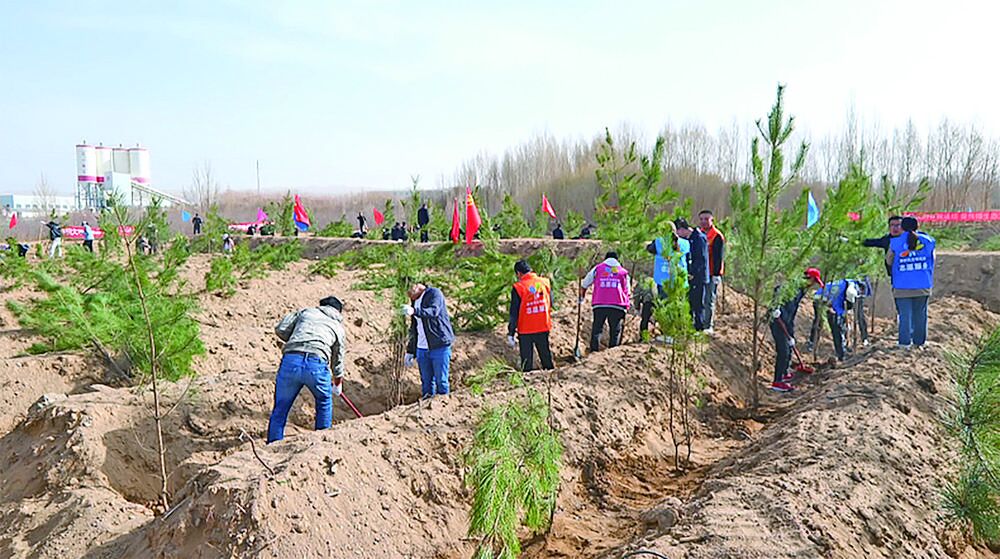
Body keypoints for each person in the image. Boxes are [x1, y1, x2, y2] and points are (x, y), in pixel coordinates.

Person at [268, 296, 347, 443]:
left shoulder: (306, 312)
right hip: (316, 364)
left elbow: (281, 329)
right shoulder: (338, 327)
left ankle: (273, 444)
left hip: (291, 360)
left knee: (280, 408)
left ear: (321, 305)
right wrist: (337, 383)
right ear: (338, 312)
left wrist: (296, 338)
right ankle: (321, 443)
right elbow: (338, 359)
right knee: (324, 401)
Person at [770, 268, 824, 392]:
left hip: (787, 320)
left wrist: (791, 332)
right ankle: (777, 382)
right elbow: (778, 289)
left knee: (789, 347)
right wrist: (775, 307)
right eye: (813, 281)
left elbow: (792, 310)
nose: (812, 285)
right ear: (809, 278)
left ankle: (784, 373)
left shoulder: (801, 289)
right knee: (783, 351)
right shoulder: (794, 284)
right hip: (778, 319)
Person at [888, 216, 936, 350]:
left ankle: (904, 343)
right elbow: (933, 259)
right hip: (922, 284)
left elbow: (889, 261)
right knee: (920, 315)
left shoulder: (895, 242)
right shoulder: (929, 241)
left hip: (902, 285)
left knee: (905, 315)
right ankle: (919, 342)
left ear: (902, 227)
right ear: (917, 226)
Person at [403, 283, 455, 398]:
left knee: (441, 381)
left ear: (416, 286)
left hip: (439, 345)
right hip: (422, 348)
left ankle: (443, 404)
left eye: (409, 291)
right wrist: (410, 350)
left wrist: (414, 311)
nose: (408, 295)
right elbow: (414, 327)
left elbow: (433, 311)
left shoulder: (434, 293)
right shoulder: (414, 301)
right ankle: (427, 403)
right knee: (426, 382)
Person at [507, 260, 554, 372]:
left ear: (518, 273)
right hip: (543, 325)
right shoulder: (545, 282)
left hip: (526, 329)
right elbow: (551, 301)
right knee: (546, 357)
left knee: (526, 362)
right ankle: (552, 376)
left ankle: (527, 380)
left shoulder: (519, 287)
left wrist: (511, 332)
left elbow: (514, 312)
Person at [581, 251, 631, 352]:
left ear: (605, 258)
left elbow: (584, 284)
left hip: (600, 303)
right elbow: (628, 291)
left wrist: (581, 297)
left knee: (597, 329)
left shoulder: (598, 269)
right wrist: (627, 305)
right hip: (617, 305)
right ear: (617, 259)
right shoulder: (623, 272)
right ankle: (613, 352)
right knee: (615, 331)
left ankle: (594, 351)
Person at [674, 218, 710, 332]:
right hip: (688, 276)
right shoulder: (687, 240)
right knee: (689, 303)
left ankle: (699, 328)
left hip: (698, 277)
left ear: (682, 229)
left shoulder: (699, 238)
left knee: (698, 304)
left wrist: (693, 273)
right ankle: (688, 327)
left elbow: (701, 260)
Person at [699, 210, 726, 331]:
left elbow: (718, 257)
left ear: (712, 220)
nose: (703, 222)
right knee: (700, 299)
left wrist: (716, 274)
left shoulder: (716, 236)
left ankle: (708, 325)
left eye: (706, 219)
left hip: (711, 273)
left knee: (709, 299)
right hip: (700, 273)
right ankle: (699, 323)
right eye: (701, 219)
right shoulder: (699, 233)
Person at [863, 215, 903, 280]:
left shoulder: (910, 239)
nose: (894, 228)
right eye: (892, 225)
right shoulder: (887, 240)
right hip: (895, 274)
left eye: (898, 225)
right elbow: (870, 242)